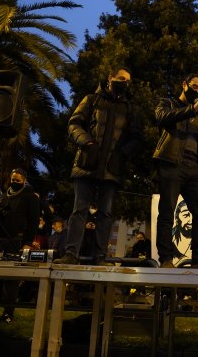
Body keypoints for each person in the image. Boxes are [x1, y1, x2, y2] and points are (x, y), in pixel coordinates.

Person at [54, 67, 142, 266]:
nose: (124, 83)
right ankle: (71, 254)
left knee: (106, 214)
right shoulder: (91, 99)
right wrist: (87, 142)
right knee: (79, 210)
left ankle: (101, 257)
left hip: (111, 168)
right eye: (121, 78)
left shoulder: (129, 108)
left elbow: (136, 137)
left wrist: (122, 154)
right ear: (110, 78)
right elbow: (73, 124)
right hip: (87, 163)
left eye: (128, 80)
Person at [152, 74, 198, 269]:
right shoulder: (168, 103)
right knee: (167, 211)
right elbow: (161, 118)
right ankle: (166, 259)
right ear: (184, 84)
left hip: (195, 167)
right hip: (172, 163)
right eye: (195, 87)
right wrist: (190, 110)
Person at [0, 168, 40, 323]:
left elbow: (34, 221)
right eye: (12, 180)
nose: (14, 183)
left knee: (12, 280)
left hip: (16, 241)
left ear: (24, 181)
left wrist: (27, 242)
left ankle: (8, 313)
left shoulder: (30, 197)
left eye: (17, 181)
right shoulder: (3, 196)